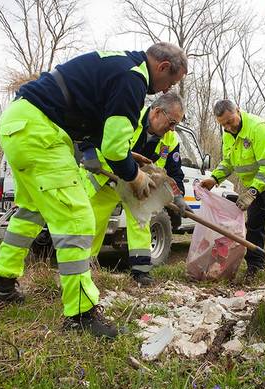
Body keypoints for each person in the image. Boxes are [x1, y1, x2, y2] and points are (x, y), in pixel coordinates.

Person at [0, 43, 188, 339]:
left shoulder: (118, 64)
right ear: (163, 67)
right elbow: (116, 150)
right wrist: (136, 177)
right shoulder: (133, 78)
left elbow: (92, 118)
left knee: (30, 214)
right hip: (41, 131)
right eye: (170, 82)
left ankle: (1, 286)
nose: (164, 89)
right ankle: (80, 314)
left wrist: (106, 152)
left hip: (18, 123)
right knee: (78, 219)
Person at [81, 92, 190, 286]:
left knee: (141, 222)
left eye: (176, 125)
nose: (172, 129)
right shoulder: (127, 114)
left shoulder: (170, 140)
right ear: (157, 112)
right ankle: (84, 268)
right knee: (93, 222)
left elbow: (174, 170)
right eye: (172, 122)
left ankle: (141, 271)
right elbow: (93, 129)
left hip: (138, 184)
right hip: (107, 180)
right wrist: (89, 152)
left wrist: (178, 196)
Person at [200, 99, 265, 281]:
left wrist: (252, 193)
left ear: (238, 111)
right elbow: (229, 162)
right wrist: (214, 178)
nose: (229, 127)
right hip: (254, 185)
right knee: (254, 226)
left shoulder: (257, 128)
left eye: (230, 121)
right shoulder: (227, 134)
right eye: (223, 125)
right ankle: (255, 266)